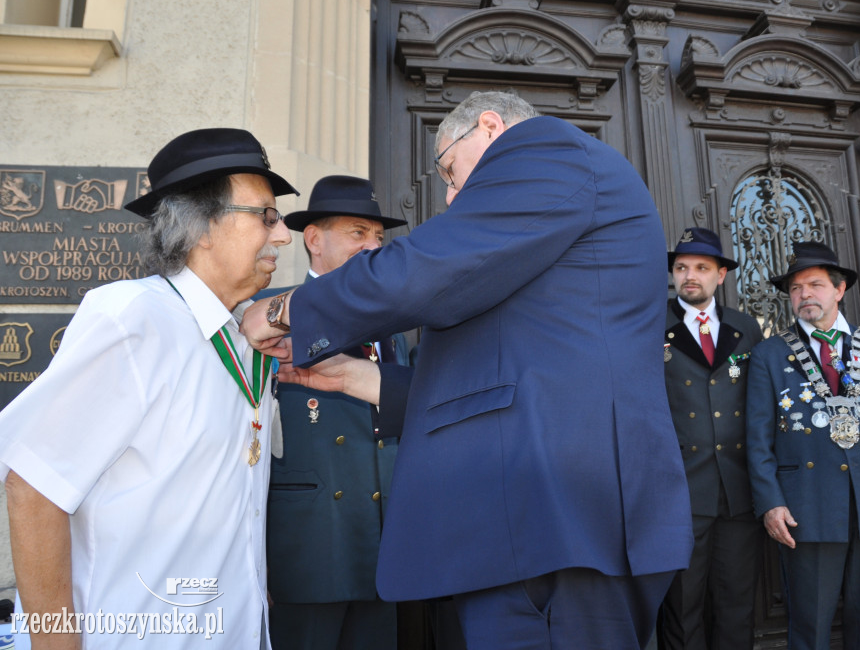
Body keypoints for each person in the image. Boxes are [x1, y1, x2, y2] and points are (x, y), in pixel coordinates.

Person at [240, 90, 693, 650]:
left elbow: (435, 263)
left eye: (449, 171)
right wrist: (357, 379)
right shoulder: (555, 205)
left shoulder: (545, 148)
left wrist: (290, 310)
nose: (453, 198)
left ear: (489, 125)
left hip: (559, 522)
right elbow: (514, 368)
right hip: (543, 522)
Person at [0, 128, 296, 649]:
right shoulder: (133, 319)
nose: (283, 236)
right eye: (266, 216)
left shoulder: (242, 336)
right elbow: (33, 487)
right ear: (203, 226)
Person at [745, 241, 860, 650]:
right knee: (809, 626)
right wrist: (770, 502)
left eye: (815, 284)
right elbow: (757, 440)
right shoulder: (769, 355)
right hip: (806, 506)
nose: (805, 294)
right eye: (795, 288)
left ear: (839, 290)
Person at [261, 176, 410, 650]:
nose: (371, 247)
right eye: (358, 233)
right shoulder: (270, 316)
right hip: (309, 545)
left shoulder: (395, 326)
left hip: (383, 548)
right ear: (313, 238)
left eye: (378, 238)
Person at [657, 227, 763, 650]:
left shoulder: (745, 327)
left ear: (721, 274)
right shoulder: (652, 323)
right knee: (682, 608)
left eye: (701, 267)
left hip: (738, 489)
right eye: (681, 268)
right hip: (680, 488)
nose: (689, 276)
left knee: (737, 603)